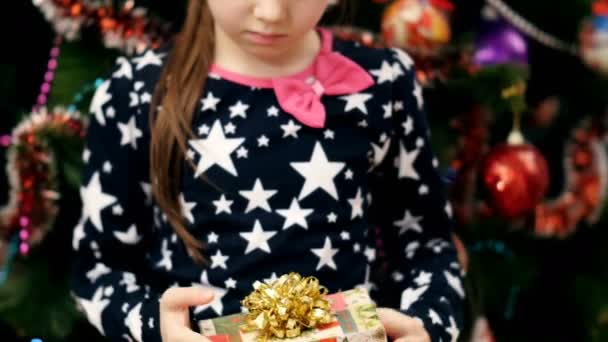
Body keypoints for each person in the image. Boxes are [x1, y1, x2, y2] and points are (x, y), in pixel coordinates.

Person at [70, 1, 465, 341]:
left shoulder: (386, 83)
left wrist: (427, 326)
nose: (272, 13)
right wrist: (153, 325)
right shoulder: (135, 92)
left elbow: (427, 245)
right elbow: (98, 267)